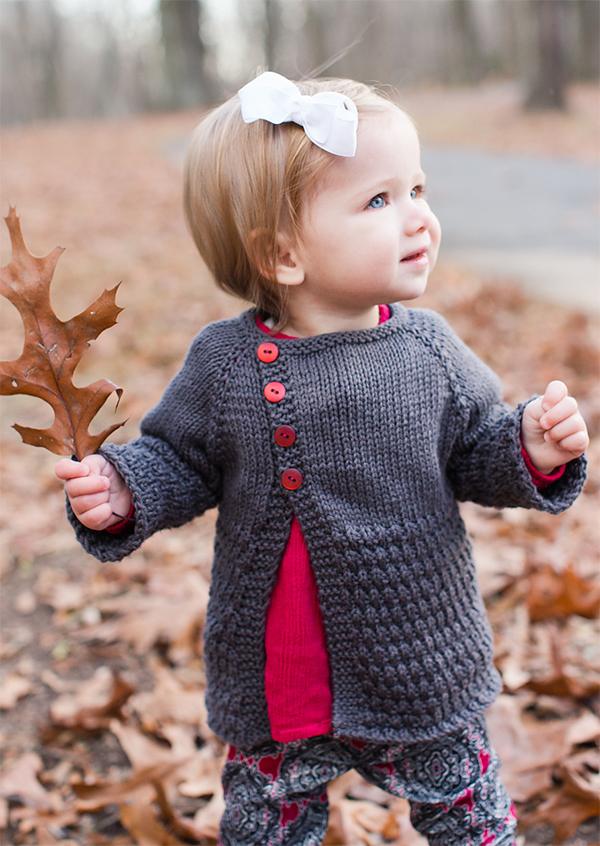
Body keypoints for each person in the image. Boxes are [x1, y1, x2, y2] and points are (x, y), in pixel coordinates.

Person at [56, 72, 588, 846]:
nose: (419, 220)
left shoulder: (427, 352)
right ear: (283, 253)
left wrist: (530, 449)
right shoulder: (228, 364)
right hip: (281, 683)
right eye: (379, 202)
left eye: (417, 189)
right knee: (268, 826)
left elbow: (476, 449)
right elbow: (179, 458)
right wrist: (125, 490)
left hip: (417, 663)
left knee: (468, 814)